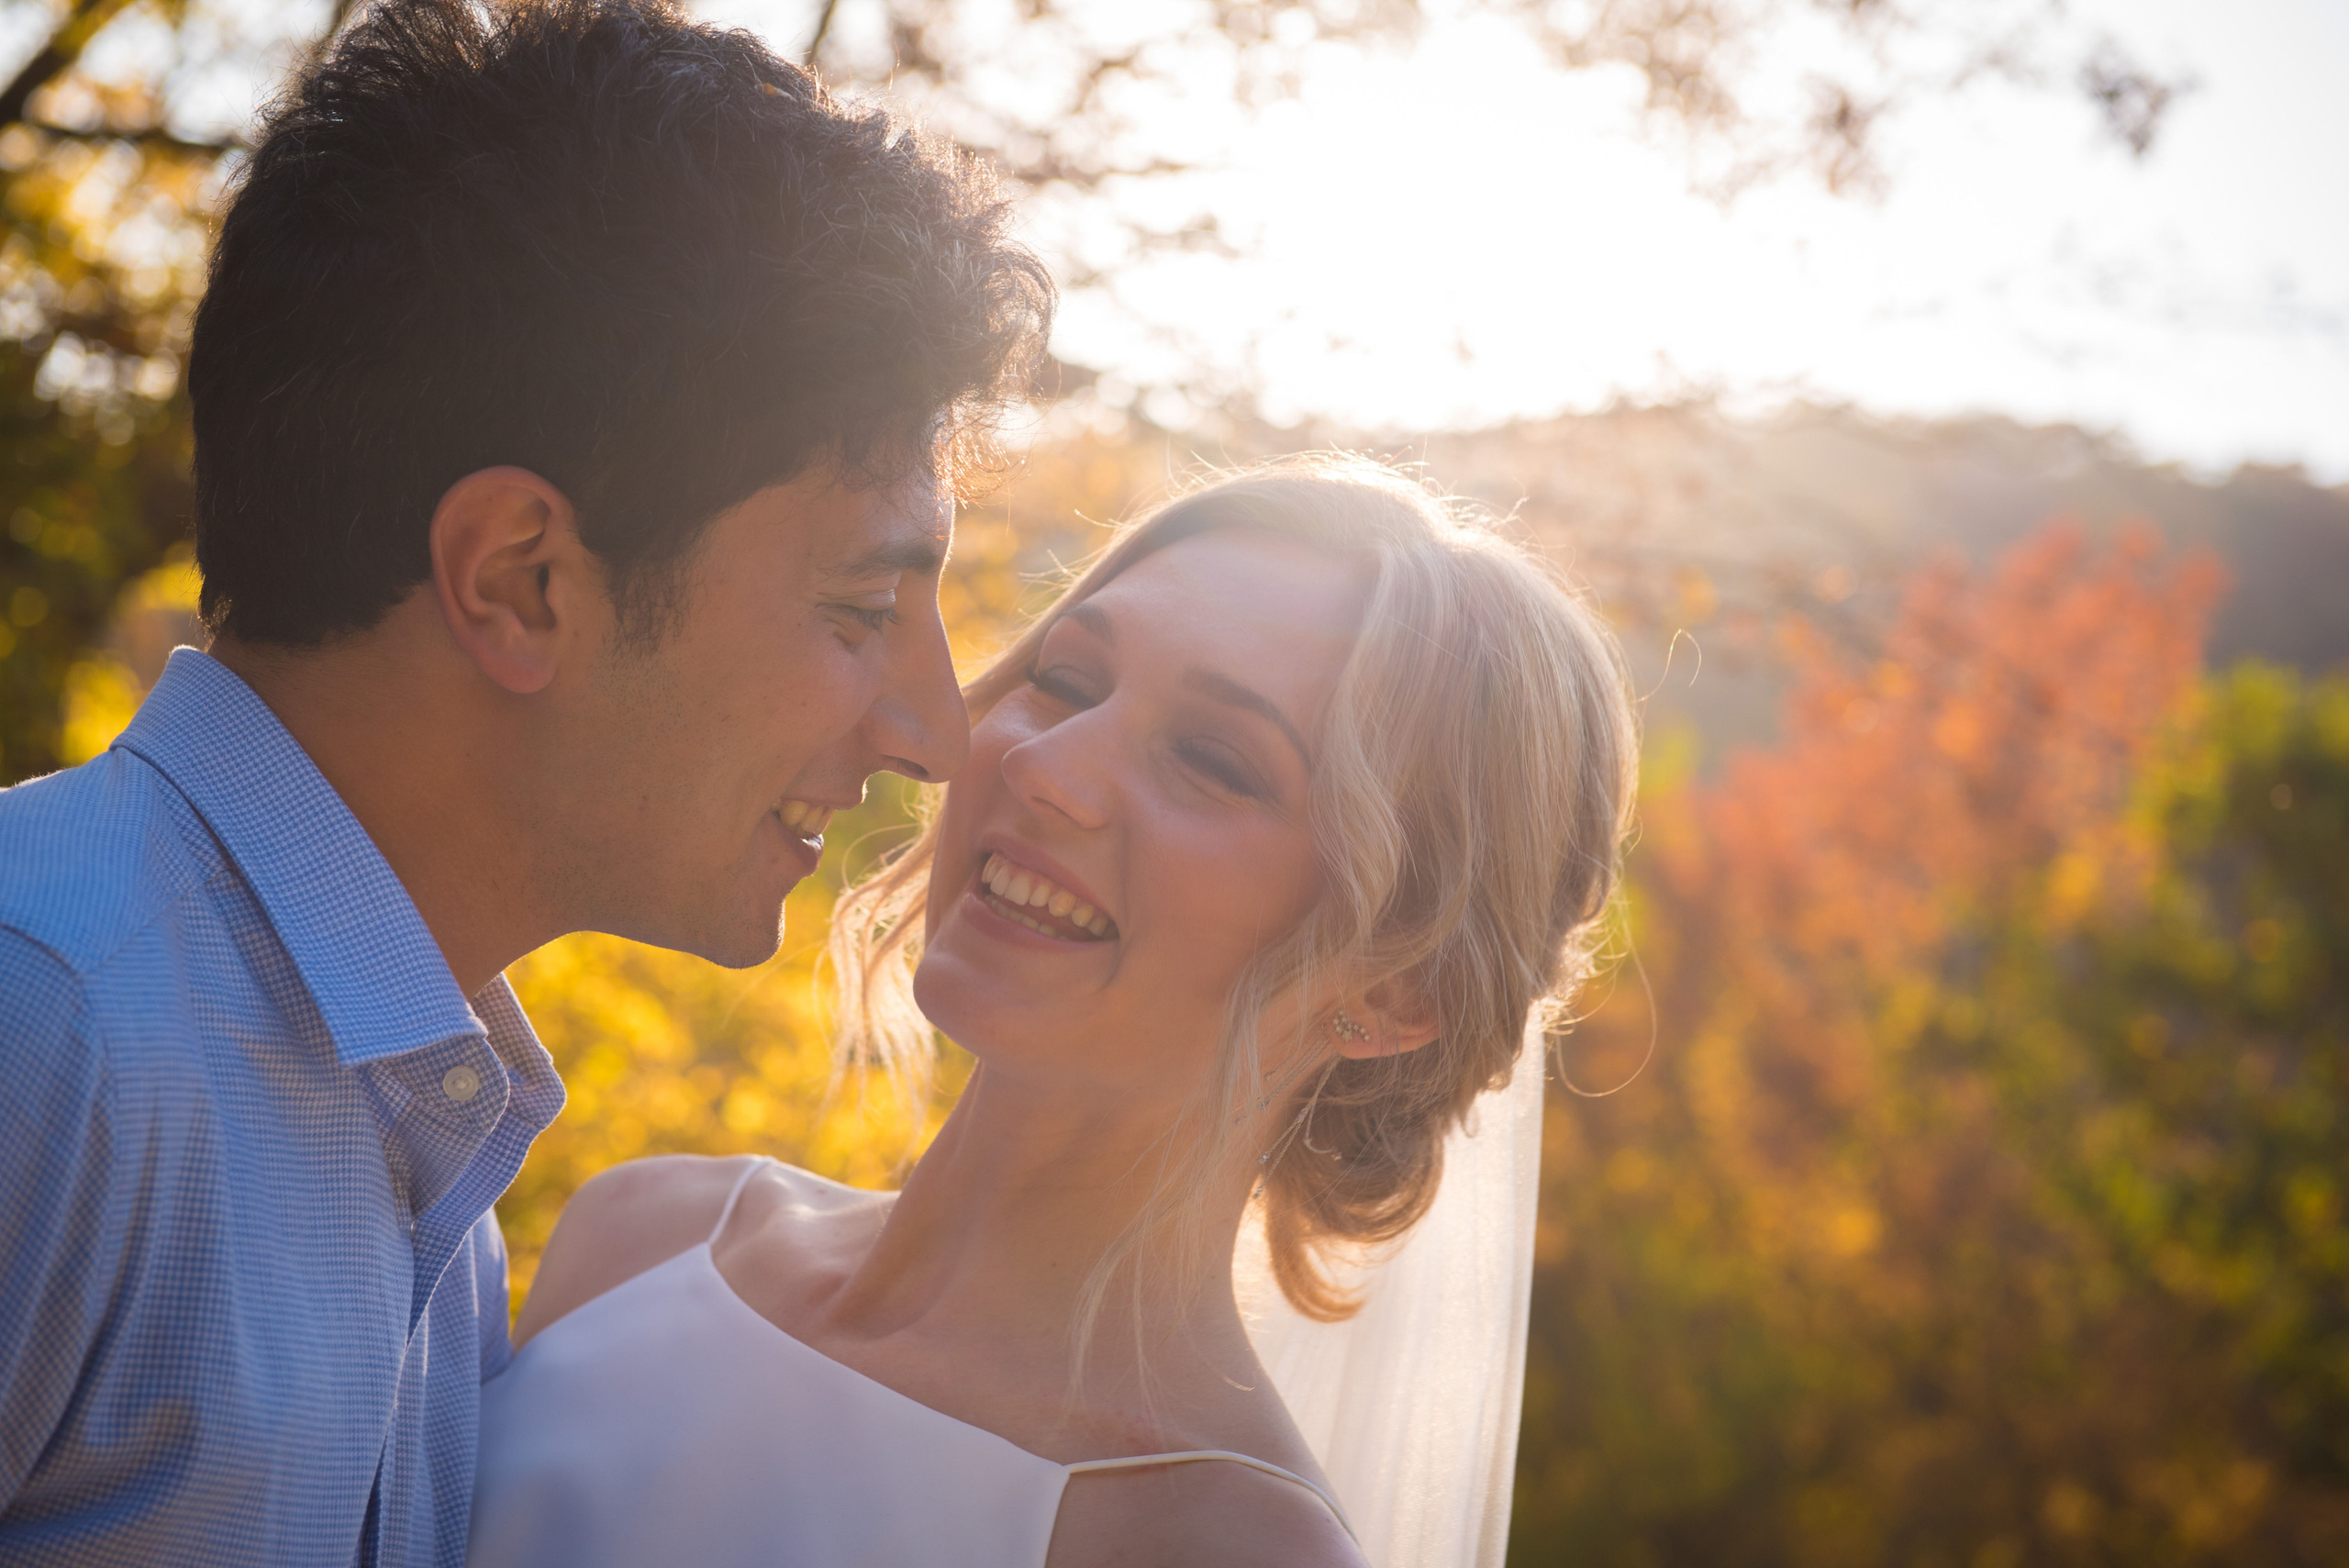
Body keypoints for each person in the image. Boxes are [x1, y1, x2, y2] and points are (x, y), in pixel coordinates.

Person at [0, 0, 1050, 1562]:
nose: (936, 732)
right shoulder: (49, 1026)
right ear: (521, 579)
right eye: (855, 610)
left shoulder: (433, 1165)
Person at [469, 455, 1638, 1568]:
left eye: (1214, 759)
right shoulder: (644, 1234)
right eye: (1068, 679)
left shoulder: (1215, 1542)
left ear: (1397, 987)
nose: (1045, 766)